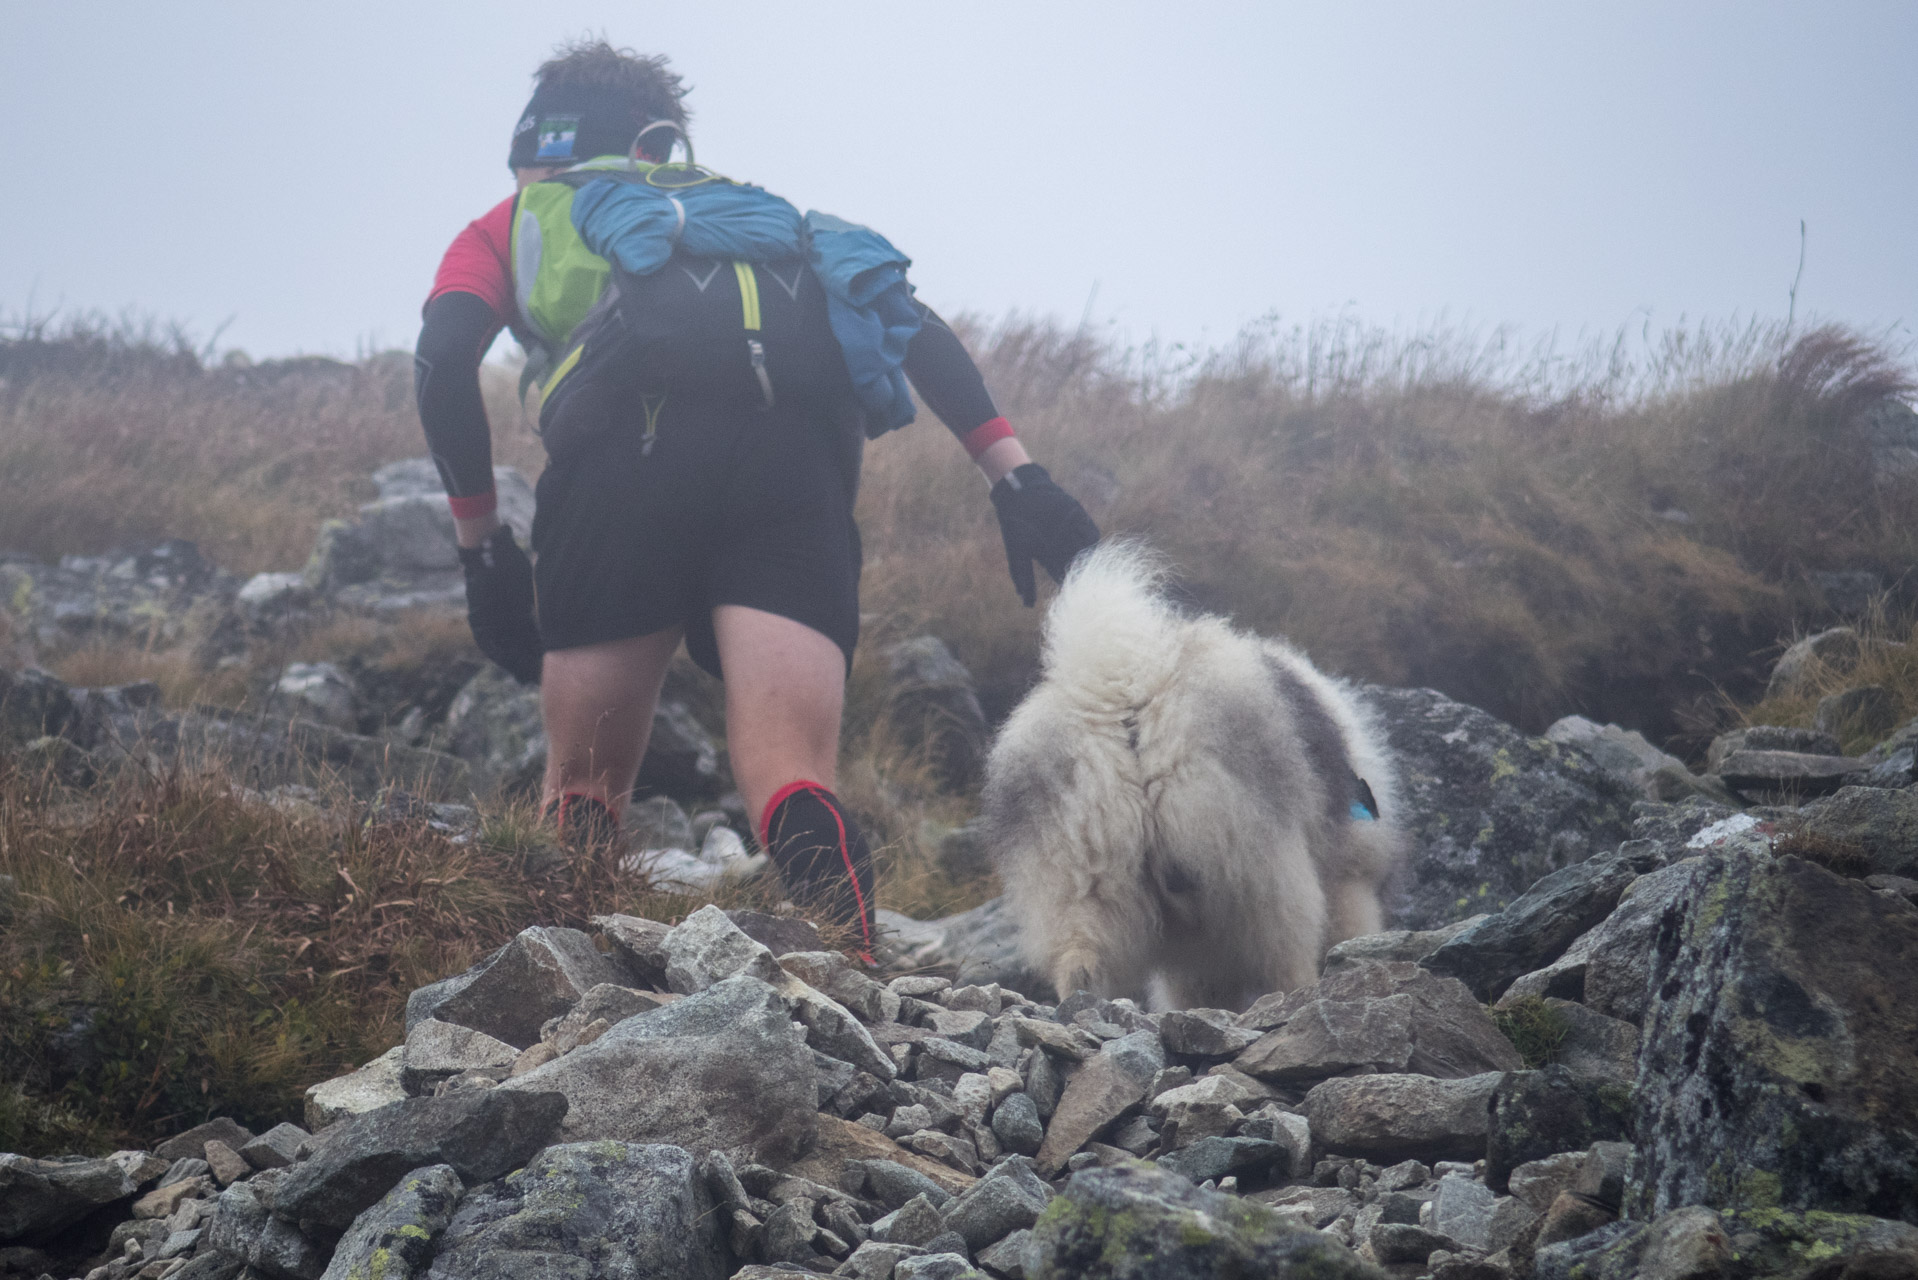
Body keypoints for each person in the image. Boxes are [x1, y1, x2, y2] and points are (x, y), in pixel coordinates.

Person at [414, 39, 1099, 959]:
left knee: (583, 784)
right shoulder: (771, 223)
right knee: (791, 774)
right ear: (664, 143)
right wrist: (1019, 480)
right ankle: (860, 999)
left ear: (541, 145)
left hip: (619, 477)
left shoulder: (511, 221)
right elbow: (910, 322)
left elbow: (442, 360)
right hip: (793, 479)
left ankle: (564, 1006)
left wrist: (482, 546)